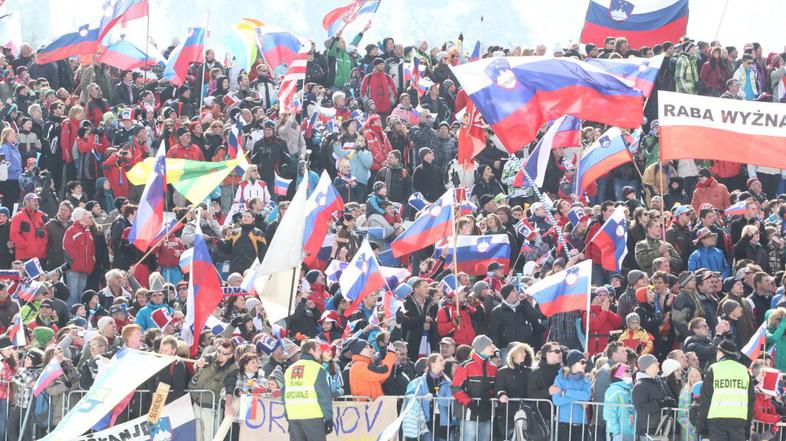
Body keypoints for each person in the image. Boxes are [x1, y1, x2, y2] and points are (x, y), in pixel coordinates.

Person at [696, 339, 755, 441]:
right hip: (739, 421)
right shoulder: (744, 370)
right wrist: (747, 428)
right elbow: (751, 401)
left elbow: (705, 400)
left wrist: (701, 426)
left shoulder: (714, 368)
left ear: (720, 352)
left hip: (716, 421)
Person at [282, 339, 334, 441]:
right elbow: (324, 395)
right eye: (318, 349)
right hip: (313, 416)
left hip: (294, 416)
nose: (320, 352)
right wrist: (328, 417)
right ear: (311, 350)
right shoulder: (317, 368)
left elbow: (284, 395)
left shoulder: (289, 369)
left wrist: (288, 417)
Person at [452, 335, 497, 441]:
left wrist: (490, 394)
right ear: (482, 347)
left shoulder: (493, 367)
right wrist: (469, 402)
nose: (494, 347)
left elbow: (495, 387)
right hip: (469, 412)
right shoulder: (466, 366)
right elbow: (455, 388)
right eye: (490, 345)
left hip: (486, 410)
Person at [632, 354, 676, 437]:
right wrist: (659, 403)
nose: (659, 363)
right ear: (647, 366)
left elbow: (669, 398)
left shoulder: (661, 382)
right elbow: (641, 410)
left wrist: (671, 402)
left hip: (665, 428)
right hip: (649, 431)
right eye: (655, 362)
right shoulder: (640, 386)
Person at [551, 349, 591, 441]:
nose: (585, 364)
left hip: (581, 423)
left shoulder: (585, 379)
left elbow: (586, 396)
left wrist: (566, 393)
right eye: (582, 362)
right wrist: (578, 399)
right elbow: (557, 400)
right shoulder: (559, 378)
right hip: (563, 423)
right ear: (574, 362)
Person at [603, 363, 636, 441]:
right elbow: (609, 413)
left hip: (630, 433)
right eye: (627, 371)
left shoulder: (630, 390)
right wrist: (616, 432)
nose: (630, 373)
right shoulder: (613, 390)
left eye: (631, 371)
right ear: (619, 374)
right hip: (617, 433)